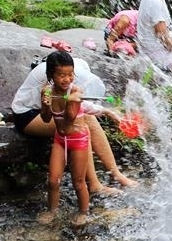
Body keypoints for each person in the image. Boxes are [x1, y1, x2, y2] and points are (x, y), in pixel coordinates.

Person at [11, 54, 136, 195]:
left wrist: (106, 111)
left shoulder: (64, 74)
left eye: (71, 74)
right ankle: (97, 183)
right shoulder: (53, 77)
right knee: (83, 122)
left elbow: (79, 101)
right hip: (27, 116)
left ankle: (115, 174)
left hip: (48, 112)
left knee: (85, 118)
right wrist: (107, 112)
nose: (69, 78)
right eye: (66, 75)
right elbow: (63, 107)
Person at [39, 51, 124, 225]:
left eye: (70, 75)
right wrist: (45, 105)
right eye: (61, 75)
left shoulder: (76, 91)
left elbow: (70, 117)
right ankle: (52, 210)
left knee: (78, 182)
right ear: (51, 75)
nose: (67, 79)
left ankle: (83, 212)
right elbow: (47, 118)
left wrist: (73, 101)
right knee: (53, 180)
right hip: (60, 139)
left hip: (78, 140)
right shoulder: (47, 91)